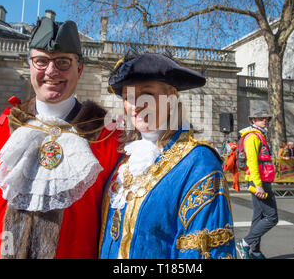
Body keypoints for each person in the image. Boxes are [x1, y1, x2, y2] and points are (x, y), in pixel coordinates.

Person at [0, 17, 122, 259]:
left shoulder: (107, 137)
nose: (51, 71)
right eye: (41, 61)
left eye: (63, 62)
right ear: (30, 66)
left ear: (79, 69)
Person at [98, 52, 236, 259]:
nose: (136, 105)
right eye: (128, 97)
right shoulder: (126, 159)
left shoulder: (198, 162)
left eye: (147, 94)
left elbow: (203, 252)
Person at [236, 109, 278, 259]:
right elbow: (252, 162)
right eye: (260, 118)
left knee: (258, 216)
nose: (264, 120)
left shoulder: (260, 135)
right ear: (253, 121)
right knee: (272, 217)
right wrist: (258, 185)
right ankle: (245, 243)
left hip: (261, 180)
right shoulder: (253, 137)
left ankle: (255, 251)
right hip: (259, 181)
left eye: (266, 118)